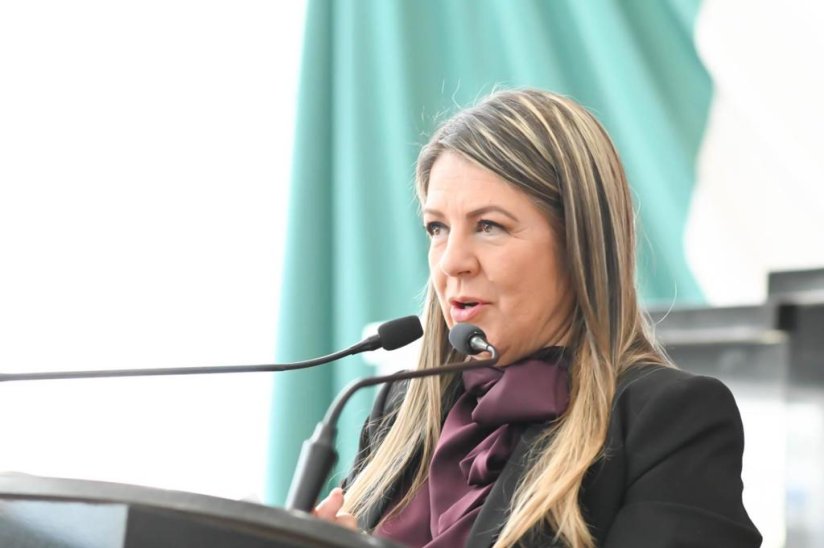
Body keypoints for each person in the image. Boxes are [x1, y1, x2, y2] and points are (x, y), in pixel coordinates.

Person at [313, 89, 761, 547]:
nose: (451, 261)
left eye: (489, 226)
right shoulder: (399, 409)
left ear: (577, 243)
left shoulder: (668, 420)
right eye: (437, 228)